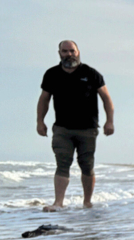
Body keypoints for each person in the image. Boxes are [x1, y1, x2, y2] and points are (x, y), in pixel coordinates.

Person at [37, 40, 114, 212]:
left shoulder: (91, 74)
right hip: (62, 129)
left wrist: (109, 121)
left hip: (88, 128)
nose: (69, 54)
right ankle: (58, 202)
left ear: (78, 52)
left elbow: (106, 98)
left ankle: (87, 202)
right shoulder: (52, 74)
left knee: (86, 165)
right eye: (65, 51)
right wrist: (40, 121)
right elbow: (44, 99)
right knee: (62, 163)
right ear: (59, 53)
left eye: (72, 51)